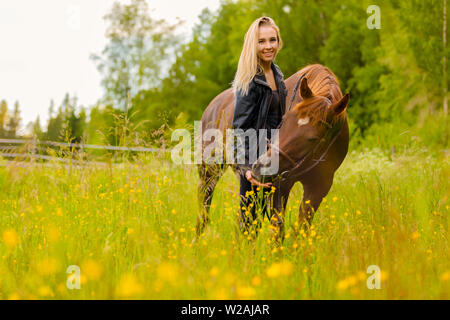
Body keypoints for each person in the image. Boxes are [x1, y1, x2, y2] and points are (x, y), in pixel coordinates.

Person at [231, 16, 287, 231]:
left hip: (276, 158)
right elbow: (240, 129)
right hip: (255, 164)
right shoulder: (249, 79)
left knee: (277, 226)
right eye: (261, 41)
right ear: (252, 44)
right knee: (249, 229)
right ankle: (244, 264)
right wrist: (247, 170)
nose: (268, 46)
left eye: (272, 40)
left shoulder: (277, 73)